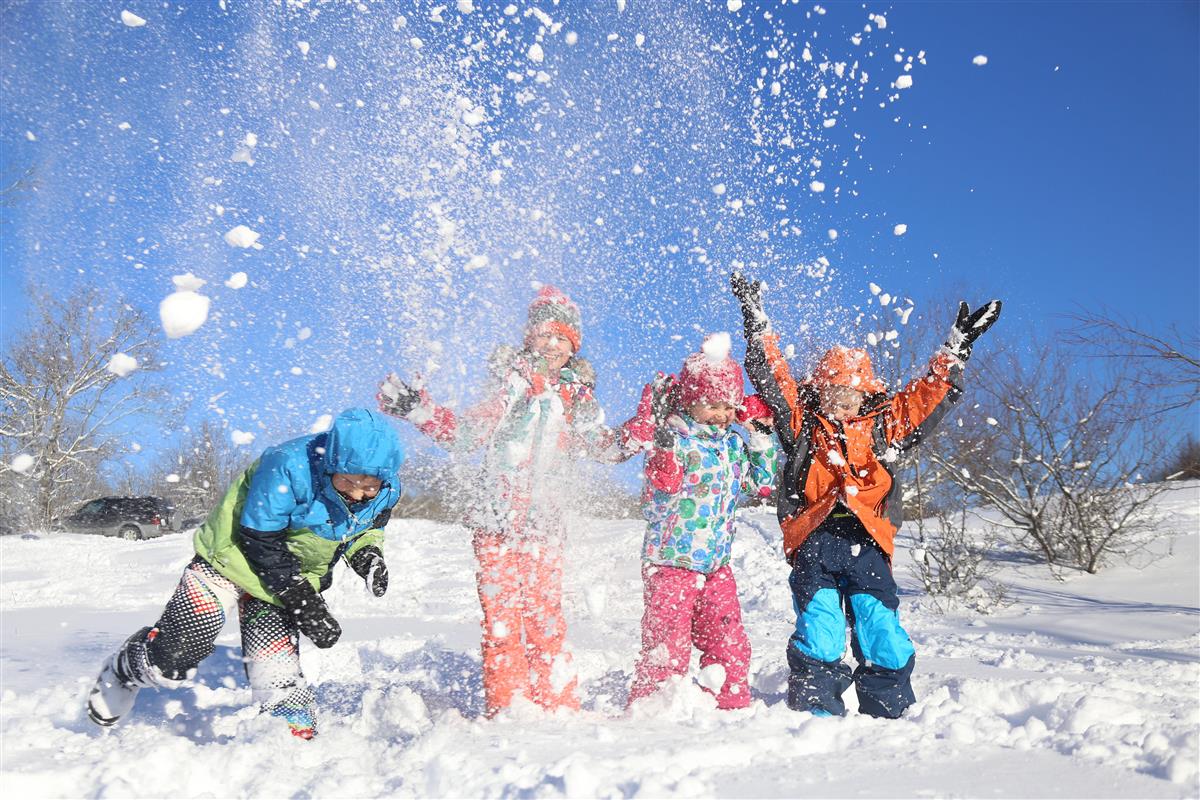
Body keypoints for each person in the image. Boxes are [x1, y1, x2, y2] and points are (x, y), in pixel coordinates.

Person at [730, 273, 1001, 719]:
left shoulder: (881, 428)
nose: (842, 402)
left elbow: (925, 399)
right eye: (834, 393)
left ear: (866, 396)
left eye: (852, 395)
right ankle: (814, 715)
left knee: (883, 633)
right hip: (815, 539)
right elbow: (773, 376)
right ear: (820, 392)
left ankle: (889, 714)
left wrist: (954, 351)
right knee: (821, 629)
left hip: (869, 543)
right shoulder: (803, 425)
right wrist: (756, 320)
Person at [377, 285, 638, 717]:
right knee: (500, 625)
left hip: (545, 526)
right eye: (544, 335)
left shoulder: (578, 397)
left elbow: (604, 448)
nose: (552, 345)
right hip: (495, 522)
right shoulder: (509, 382)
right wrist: (418, 410)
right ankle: (507, 708)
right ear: (528, 337)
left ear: (574, 346)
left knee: (546, 620)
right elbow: (466, 435)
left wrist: (645, 429)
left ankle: (557, 707)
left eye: (562, 338)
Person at [86, 407, 405, 739]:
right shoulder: (289, 465)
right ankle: (126, 668)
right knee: (175, 656)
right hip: (230, 559)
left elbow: (359, 529)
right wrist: (304, 602)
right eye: (348, 481)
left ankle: (287, 750)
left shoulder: (388, 490)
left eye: (368, 487)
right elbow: (260, 540)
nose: (357, 493)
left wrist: (368, 557)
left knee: (278, 679)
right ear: (332, 464)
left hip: (284, 581)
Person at [625, 333, 778, 710]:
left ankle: (728, 703)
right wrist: (660, 445)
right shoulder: (676, 436)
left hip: (716, 566)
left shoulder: (733, 445)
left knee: (727, 639)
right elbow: (660, 488)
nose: (722, 414)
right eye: (711, 404)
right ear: (691, 401)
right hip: (671, 563)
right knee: (667, 641)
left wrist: (759, 435)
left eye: (729, 406)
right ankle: (656, 705)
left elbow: (762, 484)